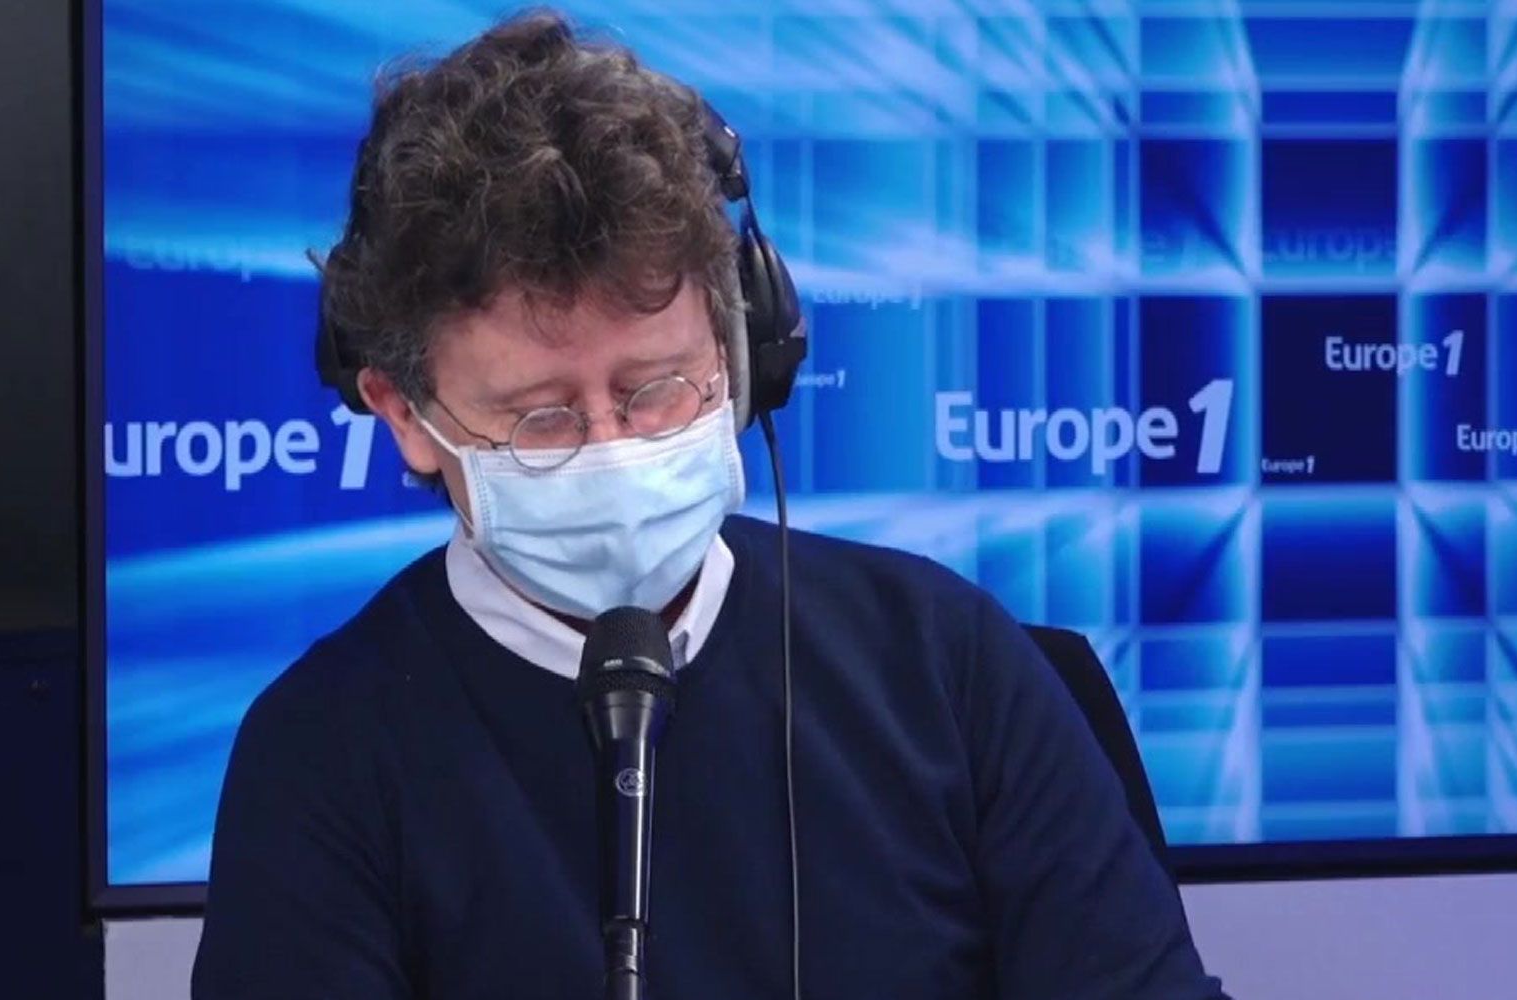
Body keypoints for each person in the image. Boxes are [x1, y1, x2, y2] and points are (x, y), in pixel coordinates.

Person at [192, 10, 1228, 999]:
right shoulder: (321, 754)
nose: (612, 447)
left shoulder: (948, 667)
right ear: (405, 413)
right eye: (541, 416)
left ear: (740, 351)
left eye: (656, 389)